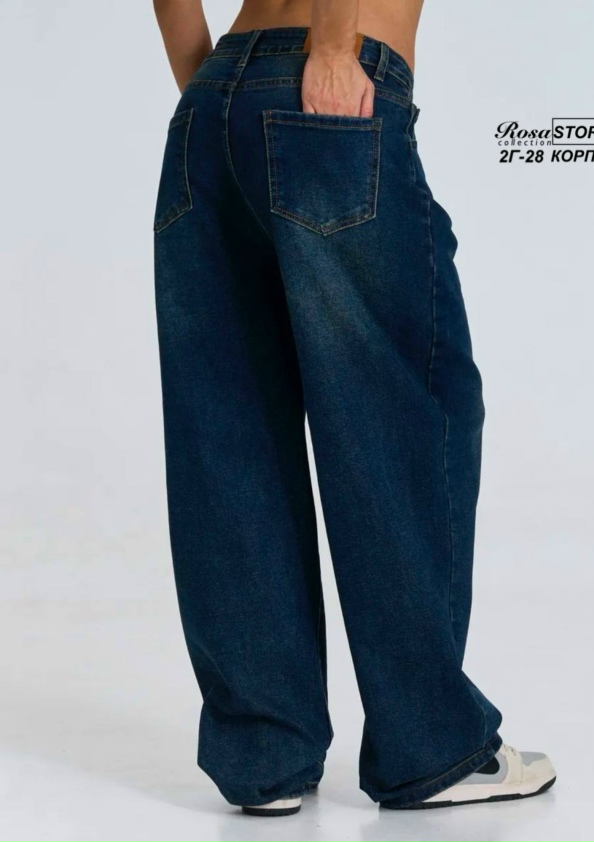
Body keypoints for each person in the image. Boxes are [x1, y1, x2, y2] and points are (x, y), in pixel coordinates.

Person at [151, 0, 556, 817]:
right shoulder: (333, 59)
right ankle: (431, 745)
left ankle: (264, 752)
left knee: (229, 433)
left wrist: (204, 81)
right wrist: (334, 46)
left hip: (212, 106)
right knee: (406, 413)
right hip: (329, 84)